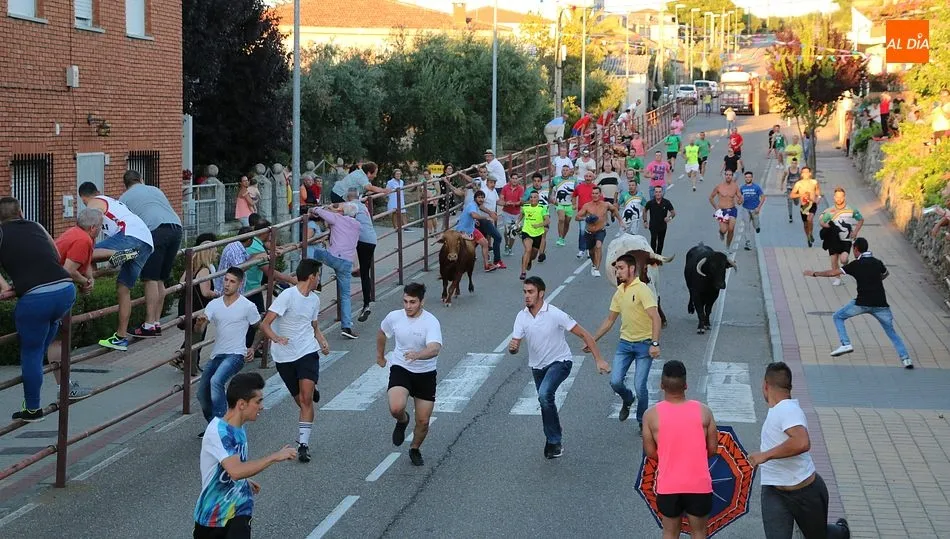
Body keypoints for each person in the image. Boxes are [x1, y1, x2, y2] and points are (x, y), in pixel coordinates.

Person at [507, 276, 609, 459]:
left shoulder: (555, 314)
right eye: (525, 292)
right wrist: (513, 348)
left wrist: (599, 359)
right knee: (545, 401)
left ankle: (554, 441)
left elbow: (584, 334)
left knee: (544, 395)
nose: (526, 296)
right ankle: (554, 431)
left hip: (560, 362)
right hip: (537, 367)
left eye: (530, 292)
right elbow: (515, 344)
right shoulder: (521, 316)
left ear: (541, 294)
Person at [748, 362, 851, 539]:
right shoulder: (778, 411)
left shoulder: (787, 409)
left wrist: (764, 456)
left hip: (805, 492)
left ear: (765, 385)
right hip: (774, 492)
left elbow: (802, 442)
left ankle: (841, 532)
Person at [0, 198, 79, 422]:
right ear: (21, 212)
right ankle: (54, 380)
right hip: (65, 290)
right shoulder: (36, 225)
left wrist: (6, 287)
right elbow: (56, 254)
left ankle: (33, 409)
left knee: (31, 353)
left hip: (35, 297)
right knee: (48, 329)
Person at [192, 372, 298, 539]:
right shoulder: (219, 432)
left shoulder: (238, 427)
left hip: (237, 512)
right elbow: (236, 471)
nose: (262, 406)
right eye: (258, 401)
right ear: (242, 404)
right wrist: (274, 456)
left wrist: (243, 481)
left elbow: (230, 467)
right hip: (213, 519)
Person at [259, 259, 331, 463]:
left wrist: (322, 341)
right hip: (284, 356)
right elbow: (265, 324)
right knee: (301, 401)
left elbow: (313, 326)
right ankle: (310, 388)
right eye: (318, 275)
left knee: (306, 400)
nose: (319, 279)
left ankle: (303, 445)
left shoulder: (314, 300)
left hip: (307, 351)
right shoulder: (287, 296)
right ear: (311, 276)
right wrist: (276, 338)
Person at [803, 237, 913, 369]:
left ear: (856, 249)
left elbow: (833, 272)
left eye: (853, 249)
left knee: (838, 316)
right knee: (892, 333)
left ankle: (846, 344)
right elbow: (885, 274)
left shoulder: (855, 265)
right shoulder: (877, 262)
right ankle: (906, 359)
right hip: (881, 305)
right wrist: (874, 280)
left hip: (861, 303)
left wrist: (814, 273)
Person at [642, 360, 718, 539]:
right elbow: (712, 449)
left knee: (670, 532)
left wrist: (668, 456)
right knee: (699, 532)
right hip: (699, 485)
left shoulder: (651, 415)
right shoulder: (704, 411)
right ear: (686, 385)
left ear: (662, 385)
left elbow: (650, 452)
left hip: (668, 486)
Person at [78, 181, 154, 352]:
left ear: (83, 197)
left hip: (129, 235)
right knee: (123, 288)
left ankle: (116, 258)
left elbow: (91, 224)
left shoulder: (94, 202)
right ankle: (120, 337)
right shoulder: (113, 202)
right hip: (146, 242)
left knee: (85, 251)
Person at [590, 253, 662, 429]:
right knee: (615, 382)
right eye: (616, 269)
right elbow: (610, 320)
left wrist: (654, 343)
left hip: (644, 345)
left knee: (640, 386)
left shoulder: (642, 289)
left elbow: (656, 317)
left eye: (621, 268)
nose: (617, 272)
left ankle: (642, 422)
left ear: (632, 269)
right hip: (625, 344)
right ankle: (628, 398)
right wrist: (592, 340)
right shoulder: (619, 292)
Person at [376, 283, 442, 466]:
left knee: (423, 421)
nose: (408, 306)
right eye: (405, 301)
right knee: (396, 408)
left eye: (413, 302)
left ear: (422, 302)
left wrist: (418, 355)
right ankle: (403, 420)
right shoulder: (394, 317)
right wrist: (380, 356)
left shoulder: (431, 322)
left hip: (425, 373)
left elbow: (434, 348)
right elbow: (382, 332)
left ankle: (414, 448)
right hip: (401, 368)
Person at [193, 266, 262, 431]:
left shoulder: (248, 306)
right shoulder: (213, 305)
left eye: (232, 281)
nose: (227, 284)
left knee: (216, 381)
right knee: (201, 393)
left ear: (240, 284)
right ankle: (213, 425)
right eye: (225, 280)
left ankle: (222, 426)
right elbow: (198, 332)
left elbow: (259, 328)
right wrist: (199, 324)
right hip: (217, 355)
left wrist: (252, 347)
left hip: (236, 354)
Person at [119, 170, 185, 339]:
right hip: (176, 228)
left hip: (155, 230)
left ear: (126, 184)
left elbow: (125, 227)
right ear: (141, 179)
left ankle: (149, 325)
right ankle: (155, 322)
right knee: (160, 279)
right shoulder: (155, 189)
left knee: (150, 278)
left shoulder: (124, 199)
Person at [309, 204, 361, 339]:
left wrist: (315, 209)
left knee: (316, 252)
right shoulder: (357, 225)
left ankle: (316, 278)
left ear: (342, 211)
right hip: (347, 263)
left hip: (333, 257)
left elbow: (319, 211)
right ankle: (347, 326)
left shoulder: (337, 218)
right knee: (345, 296)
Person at [173, 237, 220, 376]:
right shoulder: (205, 270)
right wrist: (217, 293)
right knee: (198, 336)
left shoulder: (191, 267)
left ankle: (182, 360)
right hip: (198, 307)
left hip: (186, 304)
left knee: (192, 335)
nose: (217, 254)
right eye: (215, 252)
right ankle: (191, 366)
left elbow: (181, 282)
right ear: (208, 253)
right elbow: (205, 292)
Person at [819, 188, 864, 286]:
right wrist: (828, 226)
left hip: (846, 240)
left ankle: (845, 263)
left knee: (843, 260)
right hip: (833, 240)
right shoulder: (830, 211)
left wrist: (855, 232)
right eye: (837, 197)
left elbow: (861, 219)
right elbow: (821, 222)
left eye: (841, 197)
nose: (839, 199)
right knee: (833, 260)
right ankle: (837, 278)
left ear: (844, 197)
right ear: (834, 197)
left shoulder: (851, 209)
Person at [346, 189, 378, 323]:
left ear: (347, 197)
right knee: (366, 273)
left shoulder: (350, 206)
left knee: (347, 245)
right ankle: (366, 304)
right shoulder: (363, 206)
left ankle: (355, 267)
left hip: (362, 240)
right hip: (372, 239)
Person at [575, 187, 621, 277]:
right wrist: (586, 218)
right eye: (593, 193)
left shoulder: (605, 205)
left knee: (598, 246)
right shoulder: (587, 206)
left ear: (600, 194)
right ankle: (594, 264)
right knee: (591, 252)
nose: (595, 195)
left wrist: (620, 221)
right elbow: (577, 217)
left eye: (596, 193)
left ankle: (597, 269)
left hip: (600, 230)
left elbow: (614, 209)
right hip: (589, 232)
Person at [453, 189, 493, 269]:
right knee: (462, 251)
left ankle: (487, 266)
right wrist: (486, 217)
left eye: (482, 198)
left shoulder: (475, 205)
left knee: (485, 243)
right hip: (463, 231)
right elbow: (473, 215)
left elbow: (472, 216)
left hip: (471, 229)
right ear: (475, 198)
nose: (481, 199)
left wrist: (475, 221)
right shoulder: (472, 205)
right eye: (479, 197)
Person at [519, 190, 550, 280]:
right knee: (528, 249)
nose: (533, 199)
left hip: (538, 234)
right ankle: (523, 272)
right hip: (526, 232)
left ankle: (528, 260)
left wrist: (538, 225)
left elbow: (547, 221)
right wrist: (517, 223)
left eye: (535, 197)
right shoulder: (525, 207)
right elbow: (521, 215)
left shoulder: (542, 208)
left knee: (533, 256)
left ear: (538, 198)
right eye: (531, 197)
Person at [709, 170, 743, 250]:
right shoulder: (719, 186)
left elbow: (740, 197)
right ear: (724, 176)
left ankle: (728, 247)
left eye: (730, 175)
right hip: (721, 211)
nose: (728, 176)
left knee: (731, 229)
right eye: (727, 175)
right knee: (724, 230)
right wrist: (716, 208)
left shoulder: (735, 186)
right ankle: (721, 232)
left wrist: (740, 201)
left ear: (732, 176)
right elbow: (711, 198)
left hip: (732, 210)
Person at [789, 166, 822, 247]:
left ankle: (810, 233)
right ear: (801, 174)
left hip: (812, 204)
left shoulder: (814, 182)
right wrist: (801, 194)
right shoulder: (798, 184)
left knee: (810, 219)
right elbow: (792, 195)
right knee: (805, 224)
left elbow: (818, 193)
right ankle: (808, 238)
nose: (805, 174)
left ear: (810, 173)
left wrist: (818, 199)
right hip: (804, 206)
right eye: (804, 172)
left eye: (807, 172)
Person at [522, 172, 550, 263]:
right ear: (532, 182)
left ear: (541, 181)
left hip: (544, 214)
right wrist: (531, 202)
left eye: (538, 181)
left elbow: (550, 199)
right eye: (534, 181)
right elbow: (523, 202)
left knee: (543, 233)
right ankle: (533, 252)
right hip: (532, 216)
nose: (536, 183)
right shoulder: (528, 191)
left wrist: (555, 201)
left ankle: (541, 253)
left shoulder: (546, 190)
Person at [572, 170, 598, 259]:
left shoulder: (595, 188)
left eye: (590, 176)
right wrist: (574, 204)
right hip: (582, 213)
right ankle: (582, 249)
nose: (588, 178)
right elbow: (574, 195)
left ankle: (589, 249)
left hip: (592, 213)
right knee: (582, 231)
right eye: (586, 176)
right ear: (584, 177)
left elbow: (600, 199)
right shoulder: (579, 187)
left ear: (593, 178)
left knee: (591, 231)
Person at [643, 187, 675, 255]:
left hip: (662, 226)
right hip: (653, 226)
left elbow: (673, 213)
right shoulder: (650, 203)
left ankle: (659, 256)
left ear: (662, 193)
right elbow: (645, 210)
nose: (658, 193)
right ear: (654, 193)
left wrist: (669, 218)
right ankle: (653, 255)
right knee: (653, 240)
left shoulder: (666, 202)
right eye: (656, 192)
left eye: (659, 192)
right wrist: (645, 221)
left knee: (661, 242)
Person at [500, 173, 525, 256]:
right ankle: (506, 244)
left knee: (513, 231)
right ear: (510, 179)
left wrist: (514, 203)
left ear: (518, 179)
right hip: (506, 212)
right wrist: (506, 203)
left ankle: (510, 247)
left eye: (516, 178)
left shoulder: (521, 189)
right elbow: (501, 198)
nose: (514, 180)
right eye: (513, 178)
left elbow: (521, 201)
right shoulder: (505, 187)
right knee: (507, 231)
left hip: (516, 213)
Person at [739, 171, 765, 251]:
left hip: (754, 209)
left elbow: (763, 197)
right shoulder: (742, 188)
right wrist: (739, 201)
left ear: (752, 178)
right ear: (744, 178)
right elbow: (739, 199)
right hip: (745, 209)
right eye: (746, 177)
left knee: (755, 224)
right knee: (747, 226)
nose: (748, 178)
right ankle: (748, 243)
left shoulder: (756, 187)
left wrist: (758, 208)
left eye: (749, 177)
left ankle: (757, 227)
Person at [552, 164, 576, 247]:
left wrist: (575, 204)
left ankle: (562, 238)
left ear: (569, 171)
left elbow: (576, 193)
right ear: (561, 171)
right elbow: (551, 188)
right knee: (561, 219)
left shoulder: (574, 180)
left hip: (569, 204)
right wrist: (552, 198)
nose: (565, 172)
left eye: (566, 170)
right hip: (559, 204)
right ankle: (560, 238)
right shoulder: (556, 179)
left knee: (567, 223)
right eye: (563, 170)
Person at [783, 158, 802, 223]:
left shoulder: (799, 171)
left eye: (795, 163)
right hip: (789, 188)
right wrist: (781, 185)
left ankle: (795, 199)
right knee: (789, 202)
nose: (794, 164)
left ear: (797, 164)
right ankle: (790, 216)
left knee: (796, 203)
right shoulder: (787, 170)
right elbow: (783, 177)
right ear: (791, 163)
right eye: (792, 163)